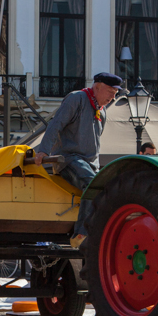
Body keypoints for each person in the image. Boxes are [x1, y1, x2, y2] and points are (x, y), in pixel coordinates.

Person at [33, 72, 124, 248]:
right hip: (69, 159)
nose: (113, 97)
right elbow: (55, 124)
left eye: (115, 93)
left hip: (88, 164)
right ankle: (80, 234)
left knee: (108, 187)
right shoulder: (77, 99)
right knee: (92, 184)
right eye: (110, 92)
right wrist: (43, 150)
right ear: (97, 87)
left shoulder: (102, 111)